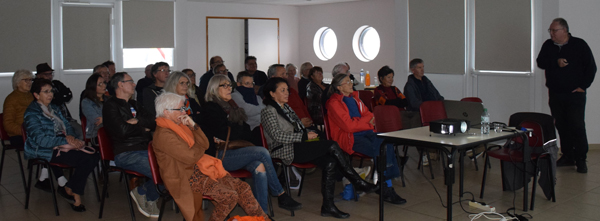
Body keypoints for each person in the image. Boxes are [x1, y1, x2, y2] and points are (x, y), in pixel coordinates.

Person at [260, 77, 378, 219]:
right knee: (332, 144)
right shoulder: (268, 111)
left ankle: (328, 206)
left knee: (330, 161)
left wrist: (308, 134)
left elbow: (298, 128)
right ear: (272, 94)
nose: (287, 93)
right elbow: (277, 136)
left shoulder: (287, 108)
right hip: (285, 149)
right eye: (282, 90)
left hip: (299, 146)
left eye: (287, 90)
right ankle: (357, 181)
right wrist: (303, 137)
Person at [152, 92, 270, 221]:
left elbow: (205, 144)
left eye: (184, 108)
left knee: (243, 187)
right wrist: (199, 147)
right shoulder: (164, 134)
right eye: (180, 109)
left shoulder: (180, 126)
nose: (184, 112)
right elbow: (192, 157)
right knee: (229, 196)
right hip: (185, 177)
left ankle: (263, 219)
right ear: (166, 112)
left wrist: (193, 126)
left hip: (199, 170)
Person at [200, 74, 301, 215]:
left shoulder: (232, 106)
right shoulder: (210, 108)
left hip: (236, 151)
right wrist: (234, 127)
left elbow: (245, 131)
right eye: (225, 86)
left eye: (230, 85)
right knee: (262, 152)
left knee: (259, 166)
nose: (229, 88)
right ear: (214, 89)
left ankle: (260, 214)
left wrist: (232, 126)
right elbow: (225, 133)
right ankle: (280, 194)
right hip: (219, 156)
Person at [326, 74, 406, 205]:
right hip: (351, 138)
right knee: (380, 149)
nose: (351, 83)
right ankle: (386, 187)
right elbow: (349, 126)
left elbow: (371, 116)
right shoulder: (334, 103)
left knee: (386, 142)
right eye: (347, 82)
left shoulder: (356, 99)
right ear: (339, 87)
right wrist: (365, 122)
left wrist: (360, 122)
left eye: (350, 81)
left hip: (367, 132)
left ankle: (384, 184)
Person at [24, 78, 100, 212]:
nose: (50, 94)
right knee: (85, 158)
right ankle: (75, 195)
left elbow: (67, 126)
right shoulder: (31, 113)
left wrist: (70, 137)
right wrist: (66, 141)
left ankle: (70, 187)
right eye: (45, 92)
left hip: (61, 144)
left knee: (94, 154)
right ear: (36, 95)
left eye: (51, 91)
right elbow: (42, 140)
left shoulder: (54, 107)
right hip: (43, 149)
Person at [537, 18, 597, 173]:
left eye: (554, 30)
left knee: (576, 124)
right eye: (550, 31)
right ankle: (568, 155)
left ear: (564, 30)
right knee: (561, 125)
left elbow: (591, 67)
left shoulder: (579, 45)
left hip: (574, 95)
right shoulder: (548, 46)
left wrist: (583, 86)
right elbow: (540, 62)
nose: (551, 34)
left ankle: (581, 159)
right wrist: (555, 61)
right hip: (556, 94)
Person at [103, 72, 159, 217]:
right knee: (163, 171)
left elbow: (153, 122)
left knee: (173, 165)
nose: (134, 84)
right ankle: (148, 195)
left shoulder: (134, 104)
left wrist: (137, 121)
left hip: (145, 149)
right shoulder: (110, 106)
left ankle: (143, 192)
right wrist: (142, 127)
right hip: (126, 153)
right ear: (120, 84)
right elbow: (122, 131)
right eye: (130, 81)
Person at [35, 63, 81, 139]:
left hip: (67, 118)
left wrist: (58, 98)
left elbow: (68, 95)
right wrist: (59, 98)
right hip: (53, 120)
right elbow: (53, 102)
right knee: (68, 136)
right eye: (46, 74)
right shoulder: (37, 88)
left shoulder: (57, 84)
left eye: (51, 74)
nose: (49, 76)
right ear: (39, 76)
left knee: (80, 132)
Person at [259, 64, 314, 128]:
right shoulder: (269, 96)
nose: (285, 77)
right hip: (292, 130)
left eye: (286, 74)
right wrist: (300, 124)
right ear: (273, 77)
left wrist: (310, 121)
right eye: (282, 74)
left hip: (304, 125)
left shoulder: (292, 91)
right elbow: (282, 122)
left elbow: (302, 107)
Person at [3, 70, 34, 148]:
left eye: (30, 80)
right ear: (17, 82)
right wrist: (25, 131)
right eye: (26, 80)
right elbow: (8, 125)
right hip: (18, 135)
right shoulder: (11, 99)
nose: (29, 83)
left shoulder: (32, 96)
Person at [81, 73, 109, 145]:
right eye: (100, 84)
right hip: (96, 134)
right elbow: (96, 120)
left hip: (111, 131)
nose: (104, 85)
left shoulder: (109, 99)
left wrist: (104, 118)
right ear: (93, 86)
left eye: (104, 82)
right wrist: (111, 118)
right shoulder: (86, 102)